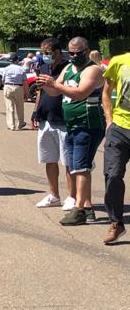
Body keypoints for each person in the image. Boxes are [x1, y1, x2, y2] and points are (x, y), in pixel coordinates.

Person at [38, 36, 105, 226]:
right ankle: (88, 208)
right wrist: (46, 85)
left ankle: (80, 209)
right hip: (72, 124)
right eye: (72, 53)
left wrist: (55, 85)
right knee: (77, 167)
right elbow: (54, 91)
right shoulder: (69, 69)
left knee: (81, 166)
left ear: (86, 50)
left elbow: (81, 93)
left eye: (78, 53)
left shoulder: (93, 70)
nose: (74, 56)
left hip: (88, 124)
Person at [31, 38, 75, 210]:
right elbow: (41, 91)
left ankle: (71, 196)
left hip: (62, 119)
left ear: (57, 52)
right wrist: (36, 110)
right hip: (45, 118)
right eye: (42, 53)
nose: (44, 56)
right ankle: (53, 195)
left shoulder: (68, 67)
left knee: (68, 161)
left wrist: (54, 83)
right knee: (49, 159)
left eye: (47, 53)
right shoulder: (42, 67)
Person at [101, 49, 130, 244]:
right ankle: (116, 222)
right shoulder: (120, 62)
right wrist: (109, 120)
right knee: (112, 175)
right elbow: (106, 91)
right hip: (120, 128)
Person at [2, 55, 28, 130]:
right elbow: (25, 82)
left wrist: (5, 87)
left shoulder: (6, 69)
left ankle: (11, 125)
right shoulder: (21, 69)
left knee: (9, 107)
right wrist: (26, 92)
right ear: (17, 60)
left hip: (8, 86)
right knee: (20, 106)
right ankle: (20, 123)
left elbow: (3, 80)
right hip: (18, 87)